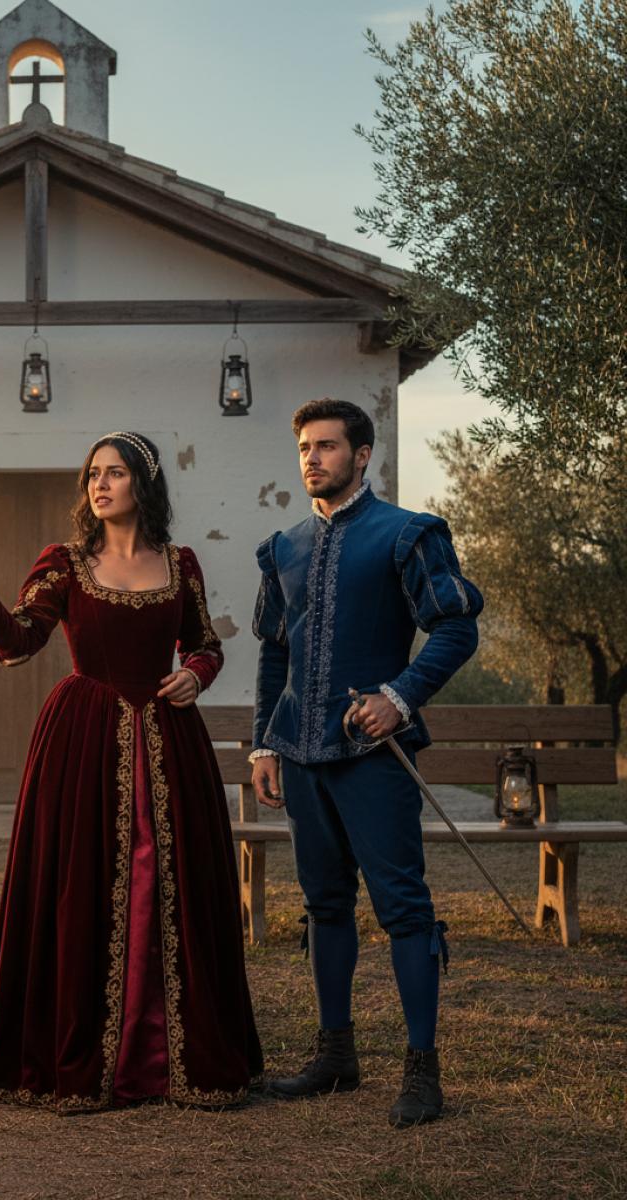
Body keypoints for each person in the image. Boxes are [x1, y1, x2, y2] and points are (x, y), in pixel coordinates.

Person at [0, 432, 263, 1111]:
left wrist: (196, 674)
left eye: (114, 473)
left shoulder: (181, 564)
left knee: (173, 887)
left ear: (143, 483)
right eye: (92, 475)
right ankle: (81, 1055)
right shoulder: (64, 563)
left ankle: (173, 1057)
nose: (99, 485)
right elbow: (17, 642)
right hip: (82, 742)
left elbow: (203, 643)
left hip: (170, 744)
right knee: (81, 886)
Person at [250, 397, 483, 1128]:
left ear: (362, 454)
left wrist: (398, 697)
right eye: (304, 449)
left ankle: (421, 1068)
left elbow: (454, 627)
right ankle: (335, 1054)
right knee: (324, 906)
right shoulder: (282, 546)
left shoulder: (407, 533)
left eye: (326, 446)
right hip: (304, 754)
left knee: (404, 908)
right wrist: (263, 740)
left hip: (374, 753)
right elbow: (273, 652)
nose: (312, 459)